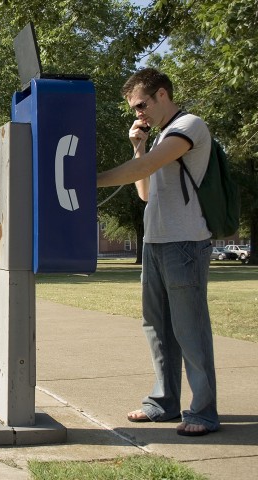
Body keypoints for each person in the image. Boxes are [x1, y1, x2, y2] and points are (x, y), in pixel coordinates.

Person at [97, 68, 219, 436]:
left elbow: (148, 166)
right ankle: (163, 403)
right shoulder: (160, 136)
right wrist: (138, 145)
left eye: (141, 105)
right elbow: (145, 191)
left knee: (189, 329)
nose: (139, 115)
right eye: (135, 110)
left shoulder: (190, 126)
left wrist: (85, 178)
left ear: (162, 94)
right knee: (157, 328)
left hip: (185, 243)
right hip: (155, 242)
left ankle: (202, 412)